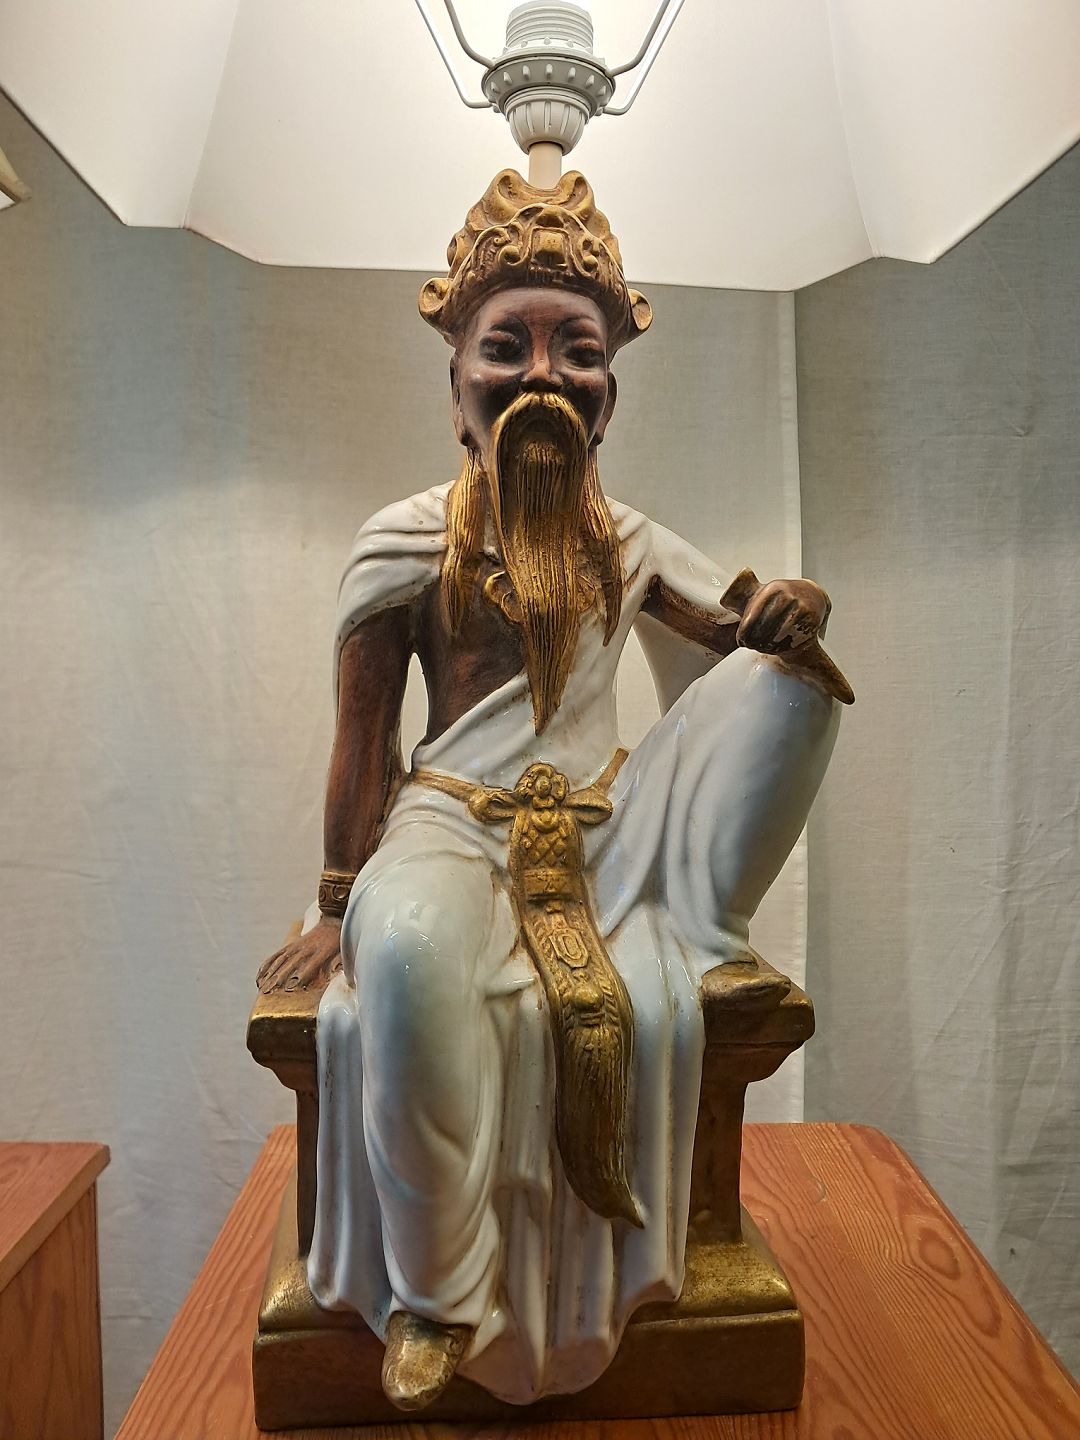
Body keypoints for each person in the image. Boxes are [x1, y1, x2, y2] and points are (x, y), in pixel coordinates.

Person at [257, 168, 847, 1412]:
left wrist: (796, 606)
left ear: (610, 393)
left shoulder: (629, 540)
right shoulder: (405, 539)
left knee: (797, 683)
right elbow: (363, 737)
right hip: (450, 825)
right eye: (506, 348)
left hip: (608, 832)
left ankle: (709, 931)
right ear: (457, 387)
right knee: (407, 956)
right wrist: (337, 902)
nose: (542, 377)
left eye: (576, 352)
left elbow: (739, 624)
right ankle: (441, 1291)